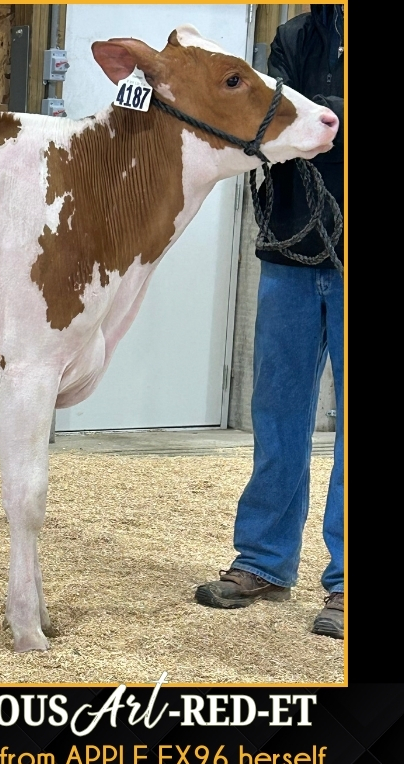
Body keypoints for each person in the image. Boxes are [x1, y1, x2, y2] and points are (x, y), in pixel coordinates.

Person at [195, 5, 345, 638]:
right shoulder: (294, 35)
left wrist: (315, 116)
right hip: (291, 244)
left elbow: (292, 120)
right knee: (277, 409)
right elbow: (267, 119)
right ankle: (263, 560)